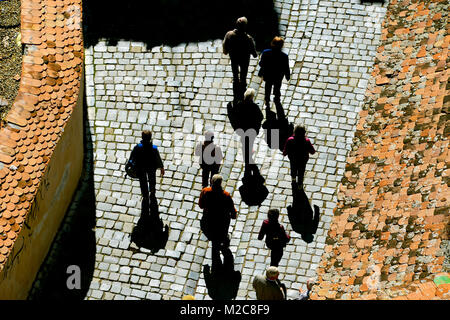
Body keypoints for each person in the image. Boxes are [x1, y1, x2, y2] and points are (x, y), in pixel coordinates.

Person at [198, 174, 237, 272]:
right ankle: (224, 244)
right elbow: (231, 209)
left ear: (211, 182)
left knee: (214, 242)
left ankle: (215, 266)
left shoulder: (205, 192)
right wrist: (233, 215)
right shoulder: (226, 195)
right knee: (222, 236)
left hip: (209, 220)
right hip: (222, 222)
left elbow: (201, 205)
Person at [229, 88, 264, 178]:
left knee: (245, 142)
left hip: (242, 129)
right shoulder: (254, 107)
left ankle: (247, 156)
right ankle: (248, 158)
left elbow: (234, 115)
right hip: (251, 130)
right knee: (249, 143)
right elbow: (261, 116)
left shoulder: (239, 105)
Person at [223, 17, 257, 101]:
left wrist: (226, 51)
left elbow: (225, 46)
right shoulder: (248, 39)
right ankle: (242, 86)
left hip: (234, 58)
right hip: (244, 60)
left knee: (235, 72)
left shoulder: (229, 35)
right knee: (243, 75)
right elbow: (254, 53)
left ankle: (236, 83)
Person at [258, 36, 290, 120]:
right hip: (278, 76)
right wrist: (287, 75)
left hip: (268, 75)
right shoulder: (284, 56)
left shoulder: (266, 52)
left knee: (267, 87)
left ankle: (267, 99)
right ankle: (276, 97)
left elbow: (261, 64)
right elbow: (286, 67)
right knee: (277, 87)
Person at [130, 130, 164, 203]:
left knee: (143, 181)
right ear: (150, 138)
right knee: (152, 180)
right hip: (151, 168)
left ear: (142, 137)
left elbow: (132, 157)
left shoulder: (137, 147)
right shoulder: (154, 148)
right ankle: (152, 191)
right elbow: (158, 159)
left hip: (141, 167)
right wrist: (161, 168)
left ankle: (145, 194)